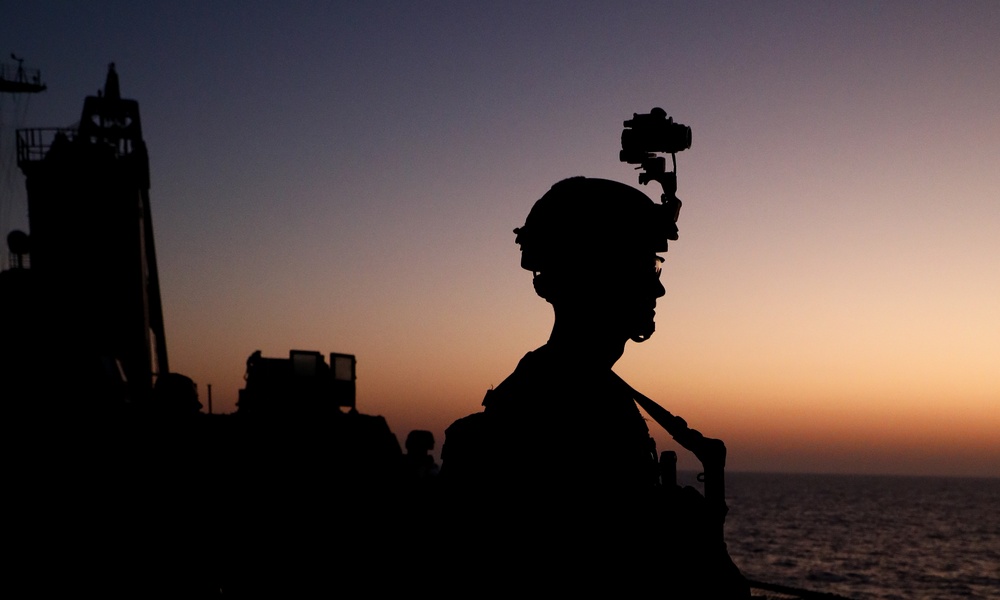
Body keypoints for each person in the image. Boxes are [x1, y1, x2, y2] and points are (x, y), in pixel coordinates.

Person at [440, 176, 749, 597]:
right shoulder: (571, 404)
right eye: (645, 265)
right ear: (597, 273)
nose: (657, 286)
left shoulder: (570, 389)